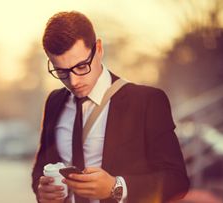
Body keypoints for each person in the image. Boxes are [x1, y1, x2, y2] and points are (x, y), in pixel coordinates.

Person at [31, 11, 190, 203]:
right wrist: (43, 191)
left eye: (81, 67)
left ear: (98, 49)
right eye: (61, 72)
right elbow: (40, 169)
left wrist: (116, 187)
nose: (73, 81)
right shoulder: (54, 102)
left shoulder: (147, 101)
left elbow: (177, 181)